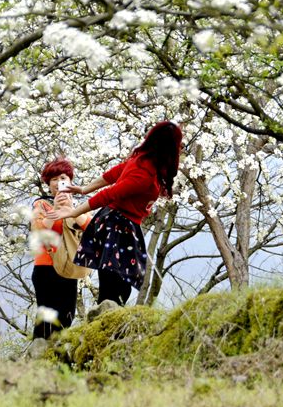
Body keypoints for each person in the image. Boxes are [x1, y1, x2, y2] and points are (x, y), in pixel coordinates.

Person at [46, 121, 182, 306]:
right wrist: (73, 210)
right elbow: (109, 193)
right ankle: (104, 321)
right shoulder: (144, 172)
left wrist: (84, 190)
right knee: (114, 284)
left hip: (124, 226)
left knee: (121, 283)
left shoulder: (145, 162)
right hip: (117, 227)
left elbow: (115, 173)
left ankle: (108, 319)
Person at [30, 157, 90, 339]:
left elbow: (91, 229)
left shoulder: (79, 207)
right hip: (46, 268)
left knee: (66, 316)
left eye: (62, 178)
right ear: (48, 184)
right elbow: (38, 231)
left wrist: (71, 210)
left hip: (68, 267)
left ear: (70, 181)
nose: (58, 183)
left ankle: (55, 360)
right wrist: (55, 211)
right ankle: (37, 358)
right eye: (53, 180)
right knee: (47, 319)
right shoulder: (41, 204)